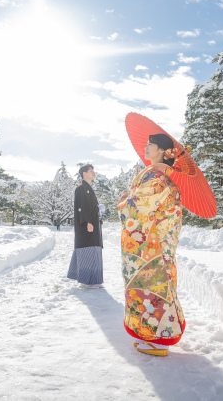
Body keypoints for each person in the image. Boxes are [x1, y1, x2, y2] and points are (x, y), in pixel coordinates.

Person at [117, 134, 184, 357]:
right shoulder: (160, 176)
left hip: (151, 245)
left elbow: (137, 209)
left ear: (164, 152)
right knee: (152, 287)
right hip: (153, 243)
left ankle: (159, 338)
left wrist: (125, 201)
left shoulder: (157, 177)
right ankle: (151, 333)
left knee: (153, 288)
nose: (145, 147)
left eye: (150, 145)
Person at [67, 164, 104, 288]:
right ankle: (86, 281)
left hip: (93, 223)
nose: (93, 173)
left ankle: (94, 280)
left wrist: (97, 208)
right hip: (86, 224)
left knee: (94, 249)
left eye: (93, 170)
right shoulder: (81, 188)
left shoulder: (88, 188)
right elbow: (81, 207)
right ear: (84, 174)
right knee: (87, 249)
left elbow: (89, 206)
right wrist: (88, 222)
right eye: (90, 171)